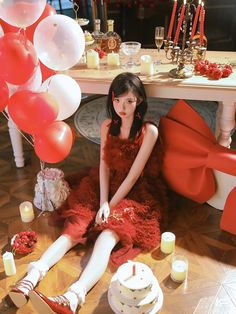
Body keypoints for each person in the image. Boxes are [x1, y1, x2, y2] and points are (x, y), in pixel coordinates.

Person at [9, 72, 168, 314]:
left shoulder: (149, 132)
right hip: (106, 184)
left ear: (139, 102)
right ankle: (31, 277)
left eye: (129, 101)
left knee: (108, 235)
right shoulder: (107, 126)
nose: (122, 107)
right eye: (117, 100)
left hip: (136, 192)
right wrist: (103, 201)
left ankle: (73, 298)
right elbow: (104, 165)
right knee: (75, 226)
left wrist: (111, 207)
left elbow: (133, 176)